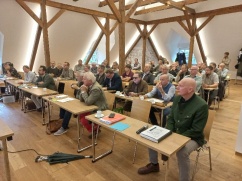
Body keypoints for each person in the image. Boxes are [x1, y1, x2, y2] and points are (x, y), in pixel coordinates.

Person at [138, 78, 208, 181]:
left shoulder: (201, 105)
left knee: (182, 152)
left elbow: (196, 130)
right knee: (151, 136)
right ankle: (154, 164)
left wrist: (175, 137)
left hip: (193, 137)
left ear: (190, 90)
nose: (177, 87)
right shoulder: (177, 98)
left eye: (180, 86)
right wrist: (168, 131)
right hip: (174, 132)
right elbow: (170, 118)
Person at [54, 71, 84, 136]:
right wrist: (73, 86)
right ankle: (61, 121)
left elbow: (84, 95)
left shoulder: (85, 83)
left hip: (82, 102)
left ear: (82, 77)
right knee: (63, 104)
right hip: (77, 99)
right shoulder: (79, 82)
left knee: (69, 109)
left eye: (77, 76)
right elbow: (77, 92)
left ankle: (64, 127)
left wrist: (78, 88)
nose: (76, 78)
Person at [79, 72, 108, 138]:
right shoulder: (89, 85)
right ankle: (95, 128)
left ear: (90, 80)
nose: (82, 80)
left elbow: (88, 102)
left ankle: (95, 129)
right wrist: (82, 90)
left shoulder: (96, 88)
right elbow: (81, 99)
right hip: (93, 106)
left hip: (100, 108)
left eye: (84, 79)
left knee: (84, 119)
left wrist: (84, 91)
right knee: (80, 114)